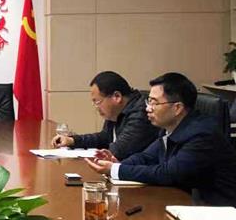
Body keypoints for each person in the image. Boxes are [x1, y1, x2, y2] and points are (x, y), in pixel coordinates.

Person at [85, 72, 236, 206]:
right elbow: (146, 157)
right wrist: (118, 163)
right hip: (185, 203)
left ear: (177, 108)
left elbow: (168, 173)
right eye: (148, 101)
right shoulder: (169, 128)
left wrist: (115, 169)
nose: (148, 108)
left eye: (154, 102)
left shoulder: (202, 134)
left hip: (218, 213)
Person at [51, 71, 159, 160]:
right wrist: (72, 141)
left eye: (97, 102)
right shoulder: (116, 112)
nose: (96, 107)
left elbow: (119, 151)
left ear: (117, 97)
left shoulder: (142, 112)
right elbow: (105, 137)